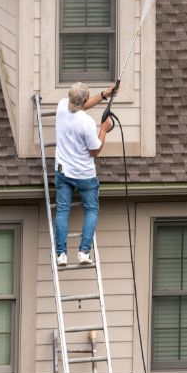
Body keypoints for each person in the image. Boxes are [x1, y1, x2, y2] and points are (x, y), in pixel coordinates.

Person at [53, 81, 117, 266]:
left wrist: (105, 94)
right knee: (91, 210)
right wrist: (104, 130)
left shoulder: (62, 105)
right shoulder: (87, 123)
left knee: (63, 211)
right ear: (85, 99)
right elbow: (95, 151)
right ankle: (83, 252)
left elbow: (82, 105)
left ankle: (61, 255)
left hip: (63, 172)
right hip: (84, 176)